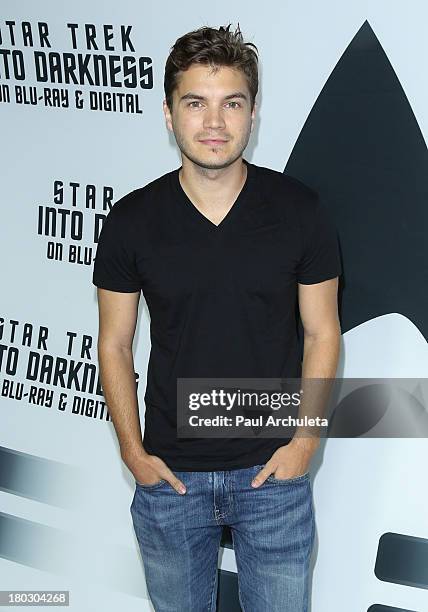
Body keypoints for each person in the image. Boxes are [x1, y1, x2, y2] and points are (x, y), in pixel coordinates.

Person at [92, 23, 341, 612]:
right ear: (168, 113)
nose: (214, 123)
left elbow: (322, 332)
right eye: (195, 104)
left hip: (272, 475)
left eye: (232, 103)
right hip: (171, 479)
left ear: (253, 114)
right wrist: (133, 452)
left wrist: (304, 442)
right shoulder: (131, 220)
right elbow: (115, 344)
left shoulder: (300, 212)